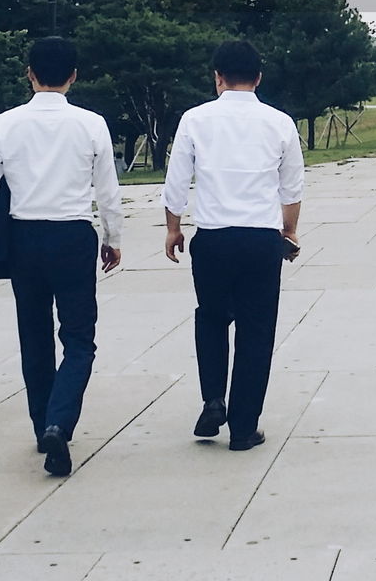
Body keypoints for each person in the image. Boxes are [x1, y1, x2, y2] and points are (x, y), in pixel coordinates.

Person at [0, 36, 122, 477]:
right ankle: (61, 418)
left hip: (24, 237)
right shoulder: (92, 123)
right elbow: (108, 192)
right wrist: (112, 237)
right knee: (78, 339)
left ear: (30, 74)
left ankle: (43, 425)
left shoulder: (2, 124)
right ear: (74, 75)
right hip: (73, 234)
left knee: (33, 336)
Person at [163, 40, 304, 452]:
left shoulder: (195, 119)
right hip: (261, 239)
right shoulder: (279, 122)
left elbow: (176, 183)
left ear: (217, 77)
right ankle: (244, 428)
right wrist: (289, 232)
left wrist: (173, 228)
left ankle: (212, 398)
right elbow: (291, 185)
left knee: (210, 318)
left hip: (213, 237)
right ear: (258, 78)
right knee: (256, 331)